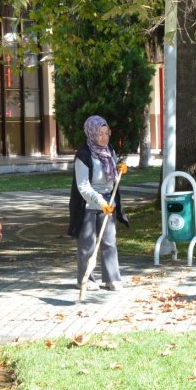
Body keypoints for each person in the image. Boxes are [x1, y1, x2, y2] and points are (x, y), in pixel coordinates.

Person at [68, 115, 129, 291]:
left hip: (107, 202)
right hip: (86, 204)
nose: (104, 137)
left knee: (109, 241)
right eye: (100, 133)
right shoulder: (83, 155)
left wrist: (119, 168)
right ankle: (86, 280)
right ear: (92, 134)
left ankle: (112, 278)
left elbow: (112, 175)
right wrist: (100, 201)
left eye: (106, 133)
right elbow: (83, 186)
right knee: (87, 243)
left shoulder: (109, 150)